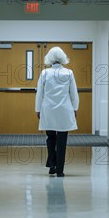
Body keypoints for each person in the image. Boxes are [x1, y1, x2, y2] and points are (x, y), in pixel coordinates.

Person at [35, 46, 79, 177]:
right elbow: (74, 94)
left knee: (50, 138)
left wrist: (37, 109)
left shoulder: (44, 73)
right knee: (62, 140)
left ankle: (52, 164)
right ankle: (59, 170)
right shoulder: (69, 73)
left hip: (48, 109)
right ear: (63, 58)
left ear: (49, 59)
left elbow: (39, 94)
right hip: (64, 110)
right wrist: (75, 108)